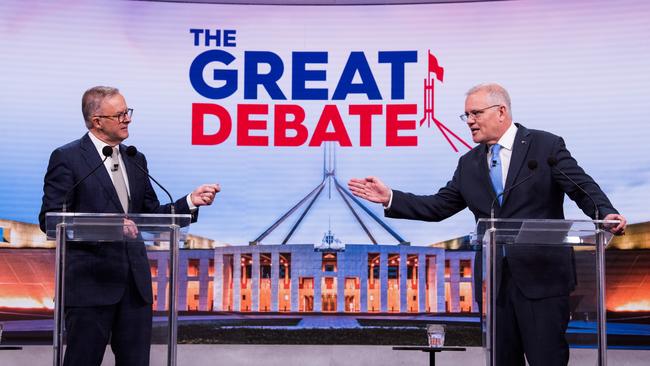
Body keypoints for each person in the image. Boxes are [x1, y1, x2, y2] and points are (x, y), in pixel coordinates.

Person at [348, 83, 626, 366]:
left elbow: (580, 187)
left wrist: (605, 212)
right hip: (496, 285)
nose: (469, 121)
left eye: (476, 113)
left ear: (501, 112)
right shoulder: (468, 164)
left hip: (543, 278)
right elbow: (439, 206)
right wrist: (391, 198)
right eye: (466, 115)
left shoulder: (545, 146)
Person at [38, 86, 221, 366]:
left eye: (128, 112)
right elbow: (51, 219)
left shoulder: (135, 158)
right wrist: (111, 226)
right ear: (97, 121)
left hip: (134, 289)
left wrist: (190, 202)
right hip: (90, 286)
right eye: (120, 114)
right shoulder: (68, 158)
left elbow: (151, 216)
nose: (128, 119)